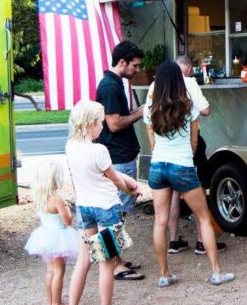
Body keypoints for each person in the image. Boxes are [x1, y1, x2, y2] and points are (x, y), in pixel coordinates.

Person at [145, 62, 234, 287]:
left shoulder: (150, 108)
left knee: (160, 222)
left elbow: (152, 142)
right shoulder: (188, 107)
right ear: (179, 80)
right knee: (203, 217)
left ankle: (164, 275)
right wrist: (186, 156)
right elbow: (194, 142)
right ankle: (216, 272)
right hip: (182, 165)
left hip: (157, 166)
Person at [62, 100, 141, 305]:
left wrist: (128, 181)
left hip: (84, 208)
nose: (103, 127)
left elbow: (110, 174)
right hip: (106, 208)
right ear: (89, 124)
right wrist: (131, 188)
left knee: (83, 261)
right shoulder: (99, 151)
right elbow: (115, 179)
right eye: (99, 122)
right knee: (106, 263)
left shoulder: (71, 147)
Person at [152, 55, 224, 256]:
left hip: (160, 156)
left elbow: (150, 126)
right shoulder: (189, 84)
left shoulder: (154, 87)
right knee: (198, 193)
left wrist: (155, 149)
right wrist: (190, 152)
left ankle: (173, 241)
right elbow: (205, 111)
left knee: (170, 200)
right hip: (184, 152)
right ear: (189, 69)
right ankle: (202, 243)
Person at [95, 41, 145, 271]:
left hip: (120, 156)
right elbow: (114, 124)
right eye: (135, 65)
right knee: (115, 213)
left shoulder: (114, 83)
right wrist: (140, 113)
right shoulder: (109, 86)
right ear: (122, 62)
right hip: (118, 157)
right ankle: (113, 264)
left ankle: (116, 260)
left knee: (118, 213)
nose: (137, 70)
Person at [23, 159, 78, 305]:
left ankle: (51, 302)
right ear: (55, 180)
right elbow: (67, 221)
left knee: (50, 271)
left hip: (45, 236)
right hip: (59, 238)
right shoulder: (57, 199)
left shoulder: (38, 197)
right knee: (59, 271)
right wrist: (68, 209)